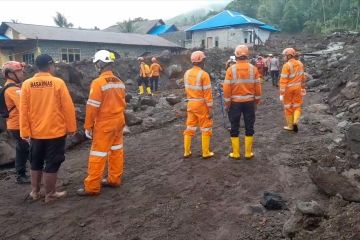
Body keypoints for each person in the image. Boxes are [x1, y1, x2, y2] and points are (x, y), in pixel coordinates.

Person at [20, 54, 77, 202]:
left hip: (36, 133)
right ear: (50, 65)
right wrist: (71, 128)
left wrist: (25, 132)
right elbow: (68, 108)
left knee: (36, 162)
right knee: (52, 162)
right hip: (55, 132)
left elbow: (23, 110)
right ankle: (50, 194)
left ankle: (35, 191)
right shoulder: (57, 83)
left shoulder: (27, 84)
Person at [77, 50, 126, 196]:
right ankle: (114, 179)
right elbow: (123, 103)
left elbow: (92, 106)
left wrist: (88, 126)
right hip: (119, 121)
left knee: (98, 154)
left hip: (105, 124)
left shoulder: (98, 82)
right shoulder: (120, 82)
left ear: (100, 64)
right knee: (116, 151)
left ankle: (92, 187)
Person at [223, 45, 262, 159]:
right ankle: (248, 153)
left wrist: (227, 104)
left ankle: (235, 153)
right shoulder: (253, 69)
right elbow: (258, 87)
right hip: (249, 102)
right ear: (247, 55)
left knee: (234, 126)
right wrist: (256, 101)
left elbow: (226, 89)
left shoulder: (231, 69)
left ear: (236, 55)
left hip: (235, 103)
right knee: (249, 126)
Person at [1, 61, 30, 184]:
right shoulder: (13, 90)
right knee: (25, 148)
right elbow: (25, 107)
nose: (22, 73)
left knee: (23, 148)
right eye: (18, 71)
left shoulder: (13, 88)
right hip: (18, 125)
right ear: (10, 74)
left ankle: (23, 173)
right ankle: (22, 175)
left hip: (15, 124)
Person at [183, 51, 214, 159]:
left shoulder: (187, 73)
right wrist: (210, 108)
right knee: (206, 127)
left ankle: (187, 151)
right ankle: (205, 152)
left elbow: (187, 89)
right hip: (201, 104)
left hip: (190, 103)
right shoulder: (204, 74)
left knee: (190, 127)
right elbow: (207, 93)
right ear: (202, 61)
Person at [279, 48, 305, 133]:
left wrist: (282, 93)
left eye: (284, 56)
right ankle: (295, 122)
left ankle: (290, 126)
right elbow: (302, 77)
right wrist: (302, 87)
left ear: (288, 56)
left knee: (288, 107)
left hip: (288, 90)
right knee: (297, 106)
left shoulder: (286, 65)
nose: (284, 57)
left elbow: (283, 80)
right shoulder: (300, 64)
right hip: (298, 88)